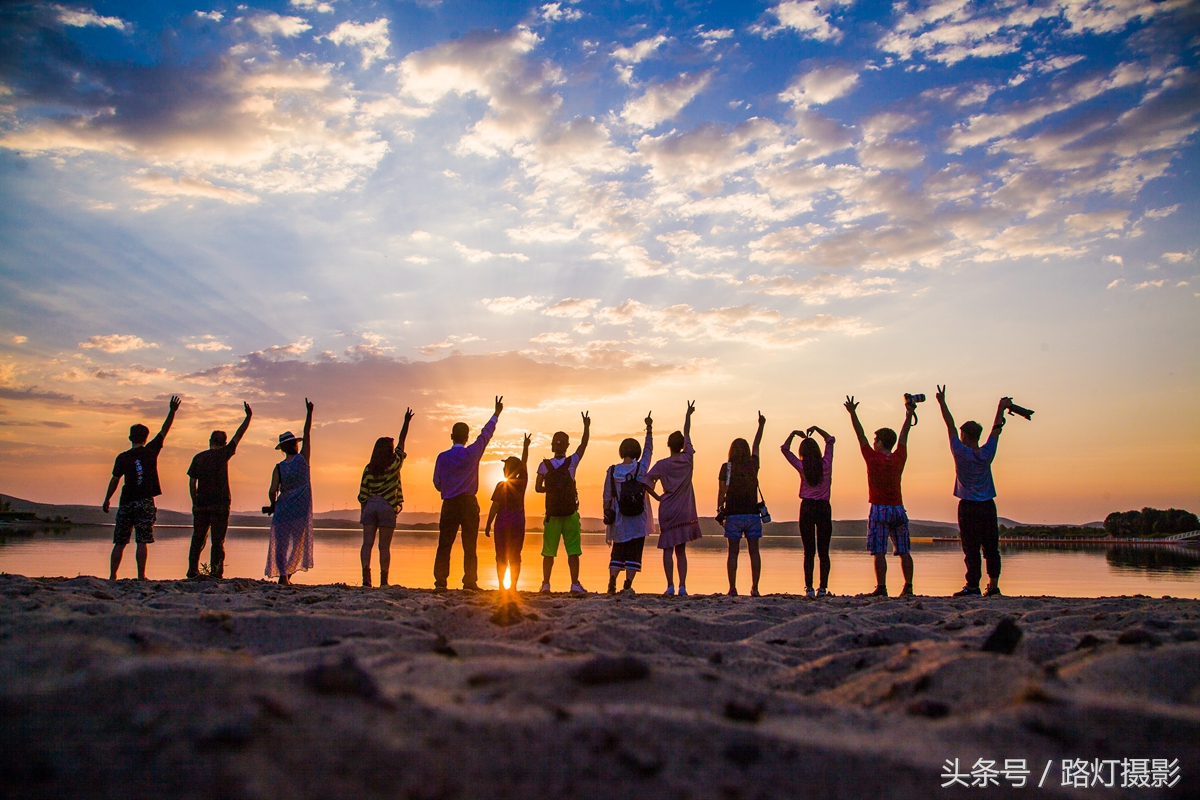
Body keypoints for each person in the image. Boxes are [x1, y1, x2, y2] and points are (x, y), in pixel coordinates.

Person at [937, 386, 1011, 597]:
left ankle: (972, 587)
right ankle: (993, 586)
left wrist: (942, 403)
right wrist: (1000, 408)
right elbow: (996, 430)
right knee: (991, 548)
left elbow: (949, 425)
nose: (958, 437)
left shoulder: (960, 453)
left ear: (966, 436)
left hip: (968, 506)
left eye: (961, 435)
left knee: (971, 549)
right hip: (988, 505)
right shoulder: (987, 453)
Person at [845, 394, 916, 597]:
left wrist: (852, 414)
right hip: (898, 508)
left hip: (879, 507)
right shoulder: (899, 456)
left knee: (879, 551)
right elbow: (904, 435)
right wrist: (908, 415)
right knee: (904, 550)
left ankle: (882, 588)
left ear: (880, 442)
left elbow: (860, 436)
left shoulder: (872, 458)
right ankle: (908, 587)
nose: (873, 441)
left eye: (876, 439)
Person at [103, 396, 181, 580]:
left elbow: (114, 480)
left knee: (120, 542)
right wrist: (172, 411)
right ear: (146, 438)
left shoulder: (122, 457)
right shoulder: (151, 450)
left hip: (126, 502)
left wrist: (107, 498)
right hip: (144, 502)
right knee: (142, 541)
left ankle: (113, 576)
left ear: (130, 437)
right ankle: (141, 576)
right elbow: (164, 430)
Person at [432, 396, 503, 591]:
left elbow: (437, 483)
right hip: (468, 503)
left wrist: (448, 487)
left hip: (449, 503)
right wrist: (496, 414)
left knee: (444, 544)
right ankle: (470, 582)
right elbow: (485, 435)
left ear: (451, 436)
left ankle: (440, 581)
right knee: (470, 545)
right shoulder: (472, 453)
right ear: (466, 437)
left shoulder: (442, 457)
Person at [186, 401, 252, 579]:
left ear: (210, 442)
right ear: (223, 443)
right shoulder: (224, 454)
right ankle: (216, 572)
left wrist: (194, 501)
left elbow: (192, 482)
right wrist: (248, 417)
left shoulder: (198, 458)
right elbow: (239, 435)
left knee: (197, 538)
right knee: (217, 541)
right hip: (220, 504)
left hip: (201, 504)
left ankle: (192, 570)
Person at [644, 402, 702, 597]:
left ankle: (669, 585)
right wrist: (688, 415)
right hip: (684, 510)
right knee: (681, 550)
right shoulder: (688, 460)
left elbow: (644, 482)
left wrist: (658, 496)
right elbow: (688, 433)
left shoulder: (662, 464)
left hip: (667, 508)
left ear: (669, 445)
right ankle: (682, 586)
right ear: (683, 446)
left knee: (667, 549)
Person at [357, 407, 414, 588]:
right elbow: (402, 441)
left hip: (370, 505)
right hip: (387, 506)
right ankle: (384, 580)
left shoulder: (369, 468)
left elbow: (362, 493)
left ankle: (366, 579)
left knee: (367, 544)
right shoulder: (395, 463)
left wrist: (363, 512)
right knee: (384, 547)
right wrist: (406, 422)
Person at [535, 411, 591, 593]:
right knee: (573, 550)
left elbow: (537, 488)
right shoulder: (572, 462)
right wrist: (586, 427)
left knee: (548, 552)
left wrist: (551, 489)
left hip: (552, 514)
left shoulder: (544, 465)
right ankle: (575, 584)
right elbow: (583, 445)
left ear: (552, 446)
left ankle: (545, 584)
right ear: (567, 446)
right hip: (570, 514)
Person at [602, 413, 654, 594]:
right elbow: (649, 451)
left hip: (619, 518)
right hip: (638, 517)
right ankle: (628, 585)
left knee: (618, 550)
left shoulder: (612, 470)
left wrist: (607, 512)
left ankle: (612, 580)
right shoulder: (640, 468)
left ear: (621, 451)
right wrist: (649, 429)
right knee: (634, 551)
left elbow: (607, 495)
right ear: (637, 453)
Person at [782, 424, 835, 597]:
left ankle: (810, 588)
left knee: (809, 551)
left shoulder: (802, 466)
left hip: (807, 508)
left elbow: (785, 449)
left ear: (802, 452)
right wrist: (818, 429)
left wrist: (793, 434)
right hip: (823, 508)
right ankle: (823, 588)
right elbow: (830, 440)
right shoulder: (825, 464)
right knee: (823, 551)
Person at [717, 412, 766, 597]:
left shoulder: (727, 467)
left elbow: (722, 492)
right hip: (753, 515)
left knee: (733, 553)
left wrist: (719, 508)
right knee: (754, 552)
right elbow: (756, 445)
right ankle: (755, 588)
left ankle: (732, 588)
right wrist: (761, 426)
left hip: (734, 515)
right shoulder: (753, 465)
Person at [266, 399, 314, 585]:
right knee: (297, 545)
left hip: (283, 510)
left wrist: (273, 504)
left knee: (281, 544)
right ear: (295, 444)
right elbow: (307, 434)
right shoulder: (303, 460)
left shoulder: (278, 468)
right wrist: (309, 413)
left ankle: (283, 576)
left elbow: (272, 491)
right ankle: (287, 575)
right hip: (300, 511)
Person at [485, 433, 532, 593]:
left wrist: (488, 523)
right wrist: (525, 447)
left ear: (508, 470)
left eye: (505, 467)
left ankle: (501, 587)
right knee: (515, 557)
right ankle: (512, 587)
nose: (503, 468)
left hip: (502, 526)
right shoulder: (523, 482)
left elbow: (494, 507)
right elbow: (524, 463)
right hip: (518, 525)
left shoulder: (501, 486)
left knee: (501, 557)